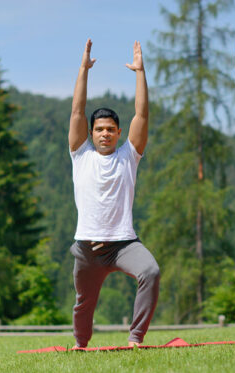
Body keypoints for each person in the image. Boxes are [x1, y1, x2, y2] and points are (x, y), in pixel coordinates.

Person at [68, 39, 160, 348]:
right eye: (99, 129)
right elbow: (77, 110)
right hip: (88, 247)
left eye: (110, 129)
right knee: (84, 302)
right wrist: (83, 69)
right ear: (91, 134)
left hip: (123, 244)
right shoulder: (81, 155)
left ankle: (136, 338)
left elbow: (142, 115)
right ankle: (81, 345)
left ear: (118, 133)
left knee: (150, 271)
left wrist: (140, 72)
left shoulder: (129, 155)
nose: (105, 133)